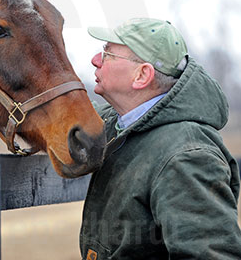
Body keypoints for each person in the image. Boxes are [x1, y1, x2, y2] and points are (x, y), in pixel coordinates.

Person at [80, 17, 241, 259]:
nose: (95, 60)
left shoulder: (187, 155)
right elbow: (66, 119)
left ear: (142, 75)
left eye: (108, 53)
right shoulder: (125, 122)